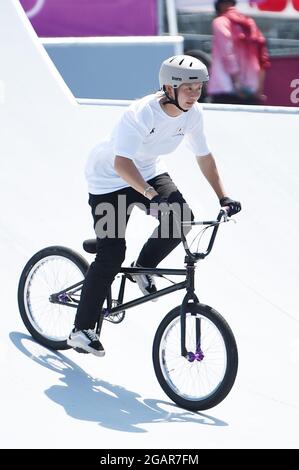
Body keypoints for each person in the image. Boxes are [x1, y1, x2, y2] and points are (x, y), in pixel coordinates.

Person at [67, 54, 242, 357]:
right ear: (169, 87)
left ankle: (142, 268)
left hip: (148, 172)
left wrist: (222, 197)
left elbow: (204, 156)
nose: (194, 94)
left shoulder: (193, 114)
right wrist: (149, 194)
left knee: (182, 219)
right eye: (188, 88)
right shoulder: (140, 113)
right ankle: (81, 329)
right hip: (109, 181)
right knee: (111, 254)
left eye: (198, 87)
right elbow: (122, 164)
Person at [208, 0, 270, 105]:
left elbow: (227, 53)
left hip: (225, 88)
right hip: (251, 90)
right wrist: (259, 88)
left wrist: (237, 82)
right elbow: (263, 58)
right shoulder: (250, 23)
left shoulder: (220, 22)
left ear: (219, 6)